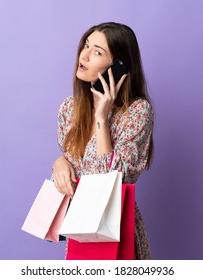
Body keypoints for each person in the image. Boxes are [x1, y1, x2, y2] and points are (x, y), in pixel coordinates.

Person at [52, 22, 154, 260]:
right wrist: (59, 162)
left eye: (98, 52)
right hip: (81, 229)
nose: (84, 55)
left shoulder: (137, 112)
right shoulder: (70, 109)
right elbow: (76, 165)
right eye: (86, 46)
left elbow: (111, 179)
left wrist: (101, 118)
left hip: (115, 230)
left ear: (117, 67)